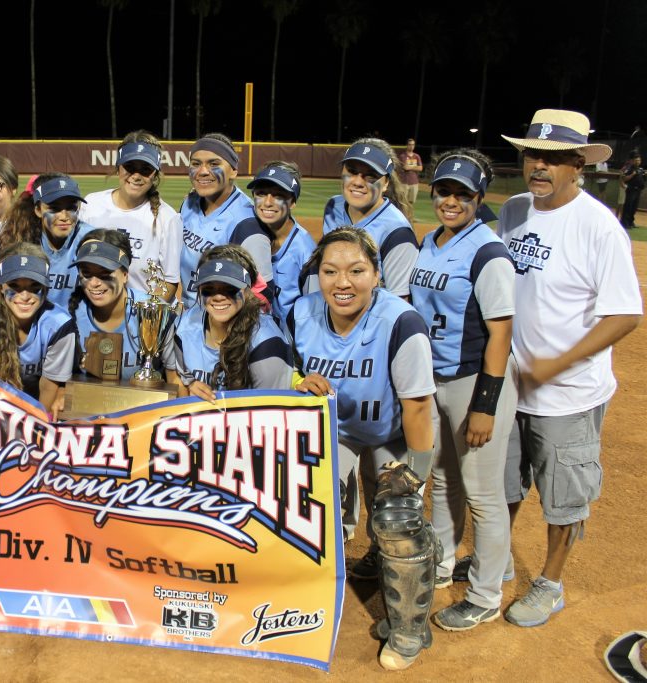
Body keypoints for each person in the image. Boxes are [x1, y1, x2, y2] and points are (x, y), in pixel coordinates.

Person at [498, 109, 642, 627]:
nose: (540, 166)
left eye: (554, 158)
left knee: (563, 497)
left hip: (569, 395)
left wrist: (557, 362)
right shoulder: (513, 211)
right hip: (510, 386)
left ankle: (551, 582)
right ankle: (494, 560)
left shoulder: (598, 227)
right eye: (534, 155)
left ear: (577, 164)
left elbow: (625, 313)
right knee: (506, 485)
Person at [288, 226, 435, 670]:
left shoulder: (401, 321)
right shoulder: (303, 311)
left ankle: (410, 628)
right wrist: (298, 380)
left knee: (396, 517)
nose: (342, 282)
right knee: (306, 502)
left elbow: (418, 408)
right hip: (339, 430)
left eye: (356, 270)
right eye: (330, 271)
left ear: (377, 275)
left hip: (392, 431)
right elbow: (290, 365)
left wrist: (416, 474)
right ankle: (301, 605)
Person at [408, 150, 518, 631]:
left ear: (479, 199)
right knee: (444, 478)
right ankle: (444, 560)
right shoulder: (430, 240)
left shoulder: (487, 251)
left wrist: (485, 407)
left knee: (484, 495)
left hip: (476, 381)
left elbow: (501, 334)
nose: (451, 201)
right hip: (437, 380)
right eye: (444, 191)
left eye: (463, 194)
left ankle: (486, 594)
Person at [0, 243, 77, 417]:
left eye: (34, 286)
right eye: (14, 286)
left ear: (45, 288)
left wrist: (34, 426)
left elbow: (48, 386)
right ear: (1, 287)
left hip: (36, 405)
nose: (25, 296)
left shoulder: (60, 325)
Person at [173, 245, 292, 400]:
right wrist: (191, 384)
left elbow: (269, 413)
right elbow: (182, 381)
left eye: (229, 288)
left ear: (248, 290)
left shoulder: (267, 344)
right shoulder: (184, 326)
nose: (218, 297)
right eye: (209, 289)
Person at [310, 138, 419, 299]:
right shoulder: (333, 206)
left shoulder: (397, 232)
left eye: (371, 176)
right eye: (352, 171)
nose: (358, 182)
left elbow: (398, 302)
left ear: (386, 183)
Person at [82, 131, 183, 301]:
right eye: (130, 167)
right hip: (93, 310)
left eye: (145, 169)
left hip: (138, 317)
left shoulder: (168, 218)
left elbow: (170, 282)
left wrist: (146, 319)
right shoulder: (91, 205)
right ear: (118, 167)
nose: (136, 175)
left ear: (155, 174)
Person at [179, 133, 274, 310]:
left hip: (222, 324)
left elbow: (263, 295)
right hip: (189, 317)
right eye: (196, 163)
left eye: (214, 164)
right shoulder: (188, 204)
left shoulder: (247, 223)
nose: (203, 171)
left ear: (234, 170)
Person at [67, 229, 176, 382]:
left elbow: (175, 379)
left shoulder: (154, 313)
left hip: (146, 404)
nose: (94, 283)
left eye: (105, 274)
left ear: (125, 274)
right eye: (86, 274)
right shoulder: (69, 314)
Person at [0, 173, 96, 308]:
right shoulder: (23, 239)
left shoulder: (90, 240)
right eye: (54, 208)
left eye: (71, 207)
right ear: (38, 210)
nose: (64, 216)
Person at [245, 161, 316, 323]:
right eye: (261, 193)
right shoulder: (250, 231)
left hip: (289, 343)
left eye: (278, 195)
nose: (268, 202)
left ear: (293, 201)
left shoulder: (305, 251)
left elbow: (316, 309)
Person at [398, 138, 424, 222]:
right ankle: (403, 217)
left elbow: (420, 168)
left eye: (413, 144)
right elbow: (405, 167)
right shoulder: (402, 156)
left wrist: (410, 167)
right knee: (403, 202)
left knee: (411, 202)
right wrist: (414, 167)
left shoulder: (417, 156)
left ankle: (410, 218)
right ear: (407, 145)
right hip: (404, 182)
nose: (411, 146)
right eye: (410, 144)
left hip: (414, 182)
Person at [620, 150, 644, 229]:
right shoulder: (629, 168)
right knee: (628, 206)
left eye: (639, 160)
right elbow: (624, 178)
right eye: (636, 160)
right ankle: (625, 223)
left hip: (638, 190)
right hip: (631, 189)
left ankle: (630, 222)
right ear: (632, 161)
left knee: (634, 207)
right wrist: (632, 174)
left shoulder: (640, 169)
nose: (638, 162)